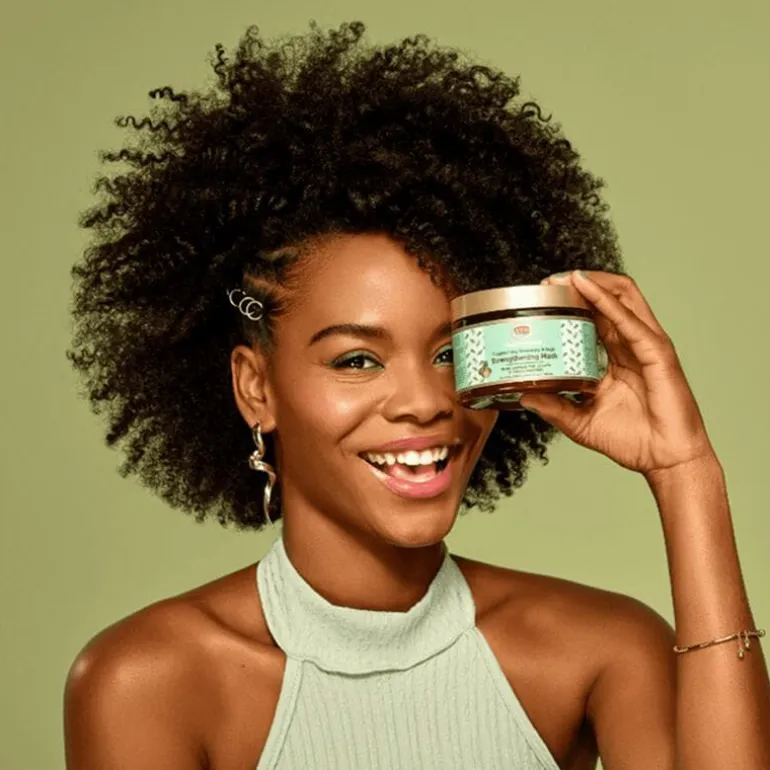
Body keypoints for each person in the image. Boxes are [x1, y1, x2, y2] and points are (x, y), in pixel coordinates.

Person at [63, 20, 769, 770]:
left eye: (448, 352)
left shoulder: (600, 653)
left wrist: (686, 473)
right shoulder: (147, 684)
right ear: (255, 387)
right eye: (358, 359)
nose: (426, 401)